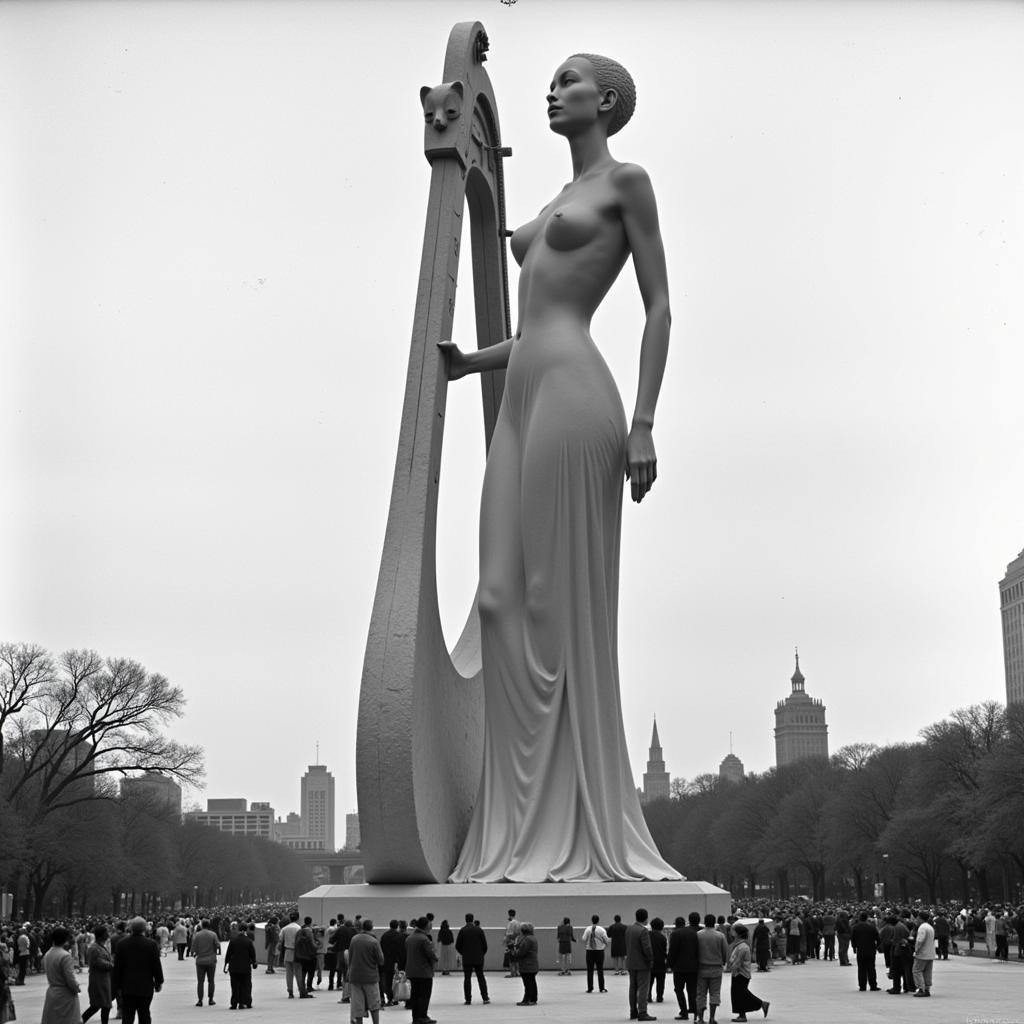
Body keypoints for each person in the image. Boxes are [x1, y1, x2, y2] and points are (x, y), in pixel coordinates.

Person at [442, 51, 677, 886]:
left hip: (579, 395)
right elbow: (533, 324)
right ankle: (519, 824)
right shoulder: (546, 205)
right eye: (551, 81)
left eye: (569, 80)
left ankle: (575, 828)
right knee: (500, 599)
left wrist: (644, 421)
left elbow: (657, 305)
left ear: (606, 101)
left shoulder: (627, 183)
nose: (552, 89)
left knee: (553, 598)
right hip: (519, 392)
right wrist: (473, 363)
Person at [112, 918, 163, 1024]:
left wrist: (116, 985)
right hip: (145, 986)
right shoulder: (151, 944)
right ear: (144, 929)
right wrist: (159, 981)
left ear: (130, 928)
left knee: (128, 1016)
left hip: (127, 986)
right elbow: (156, 965)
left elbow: (117, 967)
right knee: (144, 1014)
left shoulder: (122, 944)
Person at [725, 925, 767, 1023]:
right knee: (739, 994)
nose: (731, 932)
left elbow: (738, 961)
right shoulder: (739, 945)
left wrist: (730, 968)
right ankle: (745, 1012)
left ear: (738, 934)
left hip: (741, 973)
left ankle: (759, 1005)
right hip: (738, 973)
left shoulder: (742, 947)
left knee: (740, 994)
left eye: (733, 931)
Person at [41, 926, 82, 1024]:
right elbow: (69, 977)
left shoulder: (48, 954)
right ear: (65, 940)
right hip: (65, 994)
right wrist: (76, 988)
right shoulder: (65, 955)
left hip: (52, 992)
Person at [347, 920, 384, 1024]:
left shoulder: (354, 939)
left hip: (355, 977)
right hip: (370, 977)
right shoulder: (373, 941)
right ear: (372, 928)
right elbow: (381, 960)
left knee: (358, 1005)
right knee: (374, 1003)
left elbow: (350, 956)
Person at [666, 912, 700, 1022]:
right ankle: (695, 1011)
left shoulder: (675, 934)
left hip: (679, 967)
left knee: (679, 990)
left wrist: (669, 965)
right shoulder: (693, 933)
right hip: (693, 966)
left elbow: (672, 951)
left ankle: (684, 1012)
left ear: (676, 924)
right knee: (692, 990)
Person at [695, 914, 729, 1023]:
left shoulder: (698, 935)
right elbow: (725, 952)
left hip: (701, 968)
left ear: (704, 922)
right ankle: (712, 1018)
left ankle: (700, 1018)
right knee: (715, 993)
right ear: (714, 922)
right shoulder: (720, 936)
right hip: (716, 968)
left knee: (701, 994)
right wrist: (723, 962)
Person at [625, 907, 656, 1021]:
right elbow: (647, 948)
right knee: (643, 988)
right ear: (646, 918)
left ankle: (633, 1011)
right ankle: (643, 1012)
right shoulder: (643, 931)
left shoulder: (629, 929)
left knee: (632, 987)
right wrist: (651, 960)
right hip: (642, 964)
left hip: (631, 963)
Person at [405, 917, 437, 1023]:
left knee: (415, 994)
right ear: (425, 926)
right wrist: (435, 958)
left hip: (411, 971)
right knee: (424, 995)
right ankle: (423, 1016)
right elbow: (431, 954)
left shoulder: (409, 938)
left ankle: (416, 1017)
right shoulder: (424, 939)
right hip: (424, 972)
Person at [82, 924, 115, 1024]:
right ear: (102, 935)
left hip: (104, 980)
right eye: (106, 933)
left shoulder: (100, 947)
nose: (108, 934)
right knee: (98, 1005)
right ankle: (80, 1020)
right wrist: (113, 964)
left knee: (104, 1006)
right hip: (99, 981)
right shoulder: (95, 948)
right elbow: (99, 962)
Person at [455, 912, 489, 1005]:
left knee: (467, 978)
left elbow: (457, 945)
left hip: (467, 958)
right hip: (478, 957)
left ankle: (468, 999)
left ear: (465, 919)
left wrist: (464, 953)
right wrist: (481, 954)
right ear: (473, 919)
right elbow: (485, 945)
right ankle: (485, 997)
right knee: (481, 977)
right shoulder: (479, 930)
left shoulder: (462, 930)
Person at [224, 919, 257, 1009]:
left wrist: (226, 964)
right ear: (246, 930)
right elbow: (252, 954)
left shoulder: (233, 941)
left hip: (234, 967)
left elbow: (228, 954)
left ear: (239, 930)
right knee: (245, 984)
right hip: (245, 967)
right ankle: (244, 1002)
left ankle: (234, 1003)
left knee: (234, 985)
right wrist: (254, 962)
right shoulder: (248, 941)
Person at [190, 919, 220, 1007]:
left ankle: (200, 1000)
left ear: (202, 926)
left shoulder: (197, 935)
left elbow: (193, 948)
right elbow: (218, 945)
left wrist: (195, 953)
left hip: (200, 961)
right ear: (209, 925)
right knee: (211, 981)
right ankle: (211, 999)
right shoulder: (213, 934)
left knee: (200, 982)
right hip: (211, 961)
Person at [850, 911, 880, 992]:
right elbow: (878, 938)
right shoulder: (872, 927)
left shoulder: (855, 928)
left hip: (860, 950)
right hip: (871, 949)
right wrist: (877, 947)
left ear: (859, 918)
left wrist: (854, 948)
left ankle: (862, 986)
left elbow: (853, 939)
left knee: (861, 969)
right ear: (867, 918)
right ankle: (873, 985)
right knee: (871, 968)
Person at [280, 910, 307, 999]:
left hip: (287, 952)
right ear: (298, 918)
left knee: (289, 973)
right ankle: (301, 990)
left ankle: (290, 991)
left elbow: (280, 940)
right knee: (298, 972)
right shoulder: (299, 928)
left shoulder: (284, 929)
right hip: (297, 953)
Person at [580, 914, 609, 994]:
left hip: (589, 951)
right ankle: (602, 988)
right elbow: (606, 940)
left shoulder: (588, 929)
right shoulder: (601, 930)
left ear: (591, 920)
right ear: (598, 921)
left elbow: (583, 939)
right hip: (600, 951)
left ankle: (590, 988)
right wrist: (603, 945)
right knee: (600, 969)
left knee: (590, 970)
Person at [513, 922, 539, 1006]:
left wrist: (514, 951)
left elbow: (521, 952)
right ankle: (533, 999)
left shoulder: (527, 939)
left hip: (527, 965)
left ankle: (527, 999)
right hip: (532, 964)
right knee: (532, 982)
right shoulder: (532, 938)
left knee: (527, 983)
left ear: (523, 930)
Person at [379, 920, 404, 1007]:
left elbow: (381, 948)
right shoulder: (399, 936)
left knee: (387, 980)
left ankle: (390, 998)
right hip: (396, 961)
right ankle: (395, 997)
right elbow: (400, 950)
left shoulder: (385, 935)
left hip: (386, 961)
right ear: (397, 926)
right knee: (397, 980)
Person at [912, 910, 935, 997]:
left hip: (922, 954)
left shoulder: (922, 928)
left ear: (920, 918)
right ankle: (927, 988)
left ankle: (921, 988)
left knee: (917, 970)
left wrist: (916, 951)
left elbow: (919, 941)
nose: (916, 920)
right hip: (930, 953)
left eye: (917, 918)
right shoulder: (930, 927)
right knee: (927, 972)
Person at [650, 917, 668, 1004]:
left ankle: (648, 996)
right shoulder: (663, 938)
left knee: (649, 981)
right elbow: (665, 950)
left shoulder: (647, 935)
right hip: (660, 962)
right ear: (661, 927)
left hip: (650, 962)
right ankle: (659, 996)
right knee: (660, 981)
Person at [504, 909, 520, 978]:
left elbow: (509, 934)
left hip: (511, 942)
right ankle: (517, 972)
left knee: (511, 959)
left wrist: (506, 941)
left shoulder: (511, 923)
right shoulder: (518, 922)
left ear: (509, 915)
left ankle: (512, 973)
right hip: (517, 942)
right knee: (516, 959)